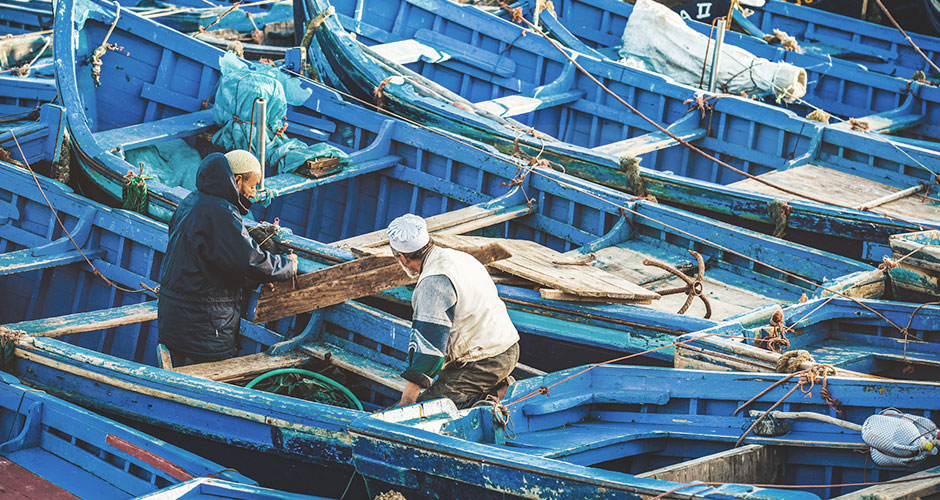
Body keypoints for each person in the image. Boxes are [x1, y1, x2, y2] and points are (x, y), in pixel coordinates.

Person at [158, 150, 297, 366]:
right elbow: (249, 261)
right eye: (252, 186)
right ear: (237, 180)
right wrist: (287, 266)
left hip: (173, 319)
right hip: (204, 330)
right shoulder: (222, 212)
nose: (253, 194)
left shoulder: (191, 201)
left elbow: (210, 261)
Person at [388, 213, 519, 409]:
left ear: (402, 257)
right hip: (510, 348)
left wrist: (407, 401)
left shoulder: (433, 282)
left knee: (429, 409)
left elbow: (430, 351)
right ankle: (498, 388)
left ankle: (493, 398)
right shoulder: (459, 257)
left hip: (484, 363)